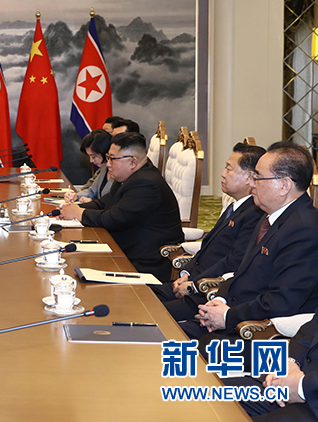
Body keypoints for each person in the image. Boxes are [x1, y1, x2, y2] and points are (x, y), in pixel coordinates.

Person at [176, 142, 318, 341]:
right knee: (158, 328)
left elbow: (282, 301)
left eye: (257, 177)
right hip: (235, 317)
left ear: (284, 185)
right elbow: (241, 273)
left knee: (167, 342)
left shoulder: (305, 229)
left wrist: (227, 316)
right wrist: (219, 300)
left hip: (258, 333)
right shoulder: (269, 216)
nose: (252, 184)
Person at [59, 132, 183, 282]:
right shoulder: (129, 176)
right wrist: (72, 209)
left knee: (73, 269)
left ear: (133, 162)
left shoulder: (146, 183)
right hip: (125, 251)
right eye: (108, 157)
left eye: (113, 158)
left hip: (144, 263)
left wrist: (79, 213)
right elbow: (104, 203)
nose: (108, 164)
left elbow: (114, 218)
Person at [155, 143, 265, 303]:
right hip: (189, 283)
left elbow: (234, 262)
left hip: (205, 294)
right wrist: (185, 274)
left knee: (141, 306)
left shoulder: (255, 214)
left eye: (229, 169)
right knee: (136, 294)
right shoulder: (235, 207)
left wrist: (193, 285)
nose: (223, 174)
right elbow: (207, 248)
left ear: (250, 177)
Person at [64, 129, 114, 203]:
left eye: (94, 156)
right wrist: (76, 196)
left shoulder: (120, 173)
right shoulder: (104, 168)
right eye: (89, 156)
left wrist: (93, 202)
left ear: (105, 152)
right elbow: (92, 191)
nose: (91, 161)